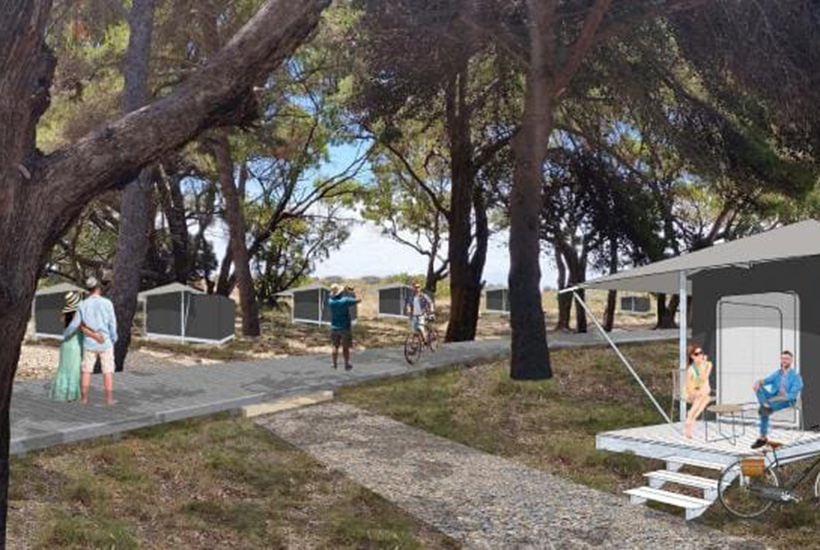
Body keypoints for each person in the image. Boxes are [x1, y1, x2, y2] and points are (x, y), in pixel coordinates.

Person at [751, 350, 803, 449]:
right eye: (782, 358)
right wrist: (758, 382)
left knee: (763, 411)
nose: (784, 360)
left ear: (791, 360)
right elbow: (766, 381)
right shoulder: (777, 373)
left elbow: (792, 395)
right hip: (773, 398)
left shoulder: (796, 377)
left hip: (787, 401)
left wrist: (776, 399)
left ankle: (762, 438)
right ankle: (765, 405)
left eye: (786, 359)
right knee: (758, 388)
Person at [78, 277, 118, 405]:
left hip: (89, 342)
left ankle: (84, 399)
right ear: (99, 288)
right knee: (107, 371)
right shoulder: (107, 303)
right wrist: (113, 338)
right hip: (105, 341)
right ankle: (109, 399)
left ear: (89, 290)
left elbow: (81, 325)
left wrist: (92, 336)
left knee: (86, 370)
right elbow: (112, 323)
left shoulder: (82, 304)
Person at [327, 284, 361, 371]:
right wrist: (350, 291)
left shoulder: (330, 301)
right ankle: (346, 364)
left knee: (335, 346)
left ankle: (334, 364)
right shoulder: (345, 300)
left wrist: (343, 291)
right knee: (345, 347)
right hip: (345, 327)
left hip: (334, 327)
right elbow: (358, 300)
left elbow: (331, 295)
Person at [684, 344, 713, 439]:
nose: (700, 355)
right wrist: (692, 394)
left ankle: (690, 418)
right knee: (703, 397)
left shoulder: (708, 364)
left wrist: (702, 365)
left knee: (705, 397)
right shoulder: (691, 369)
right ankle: (690, 420)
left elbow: (704, 378)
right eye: (697, 354)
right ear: (692, 356)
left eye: (701, 353)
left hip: (703, 390)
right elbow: (688, 386)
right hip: (692, 391)